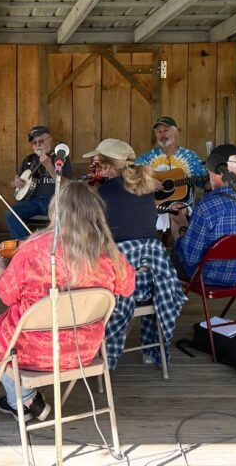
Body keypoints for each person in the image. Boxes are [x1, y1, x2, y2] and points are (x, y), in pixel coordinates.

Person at [0, 180, 135, 420]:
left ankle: (23, 398)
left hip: (31, 352)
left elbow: (7, 295)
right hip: (83, 351)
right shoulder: (108, 252)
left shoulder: (34, 248)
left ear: (56, 210)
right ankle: (25, 398)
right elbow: (127, 287)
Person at [83, 139, 187, 369]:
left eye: (97, 163)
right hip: (152, 286)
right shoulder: (144, 189)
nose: (95, 167)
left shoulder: (103, 193)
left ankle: (89, 349)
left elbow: (93, 237)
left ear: (108, 167)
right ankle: (151, 350)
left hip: (118, 289)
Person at [174, 144, 236, 287]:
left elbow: (189, 258)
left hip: (203, 277)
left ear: (215, 169)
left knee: (162, 257)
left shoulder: (207, 205)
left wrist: (181, 227)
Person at [135, 116, 207, 244]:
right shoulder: (147, 158)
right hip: (153, 203)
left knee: (176, 210)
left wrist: (216, 179)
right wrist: (146, 182)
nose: (162, 134)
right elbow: (130, 176)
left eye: (166, 130)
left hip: (183, 204)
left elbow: (204, 183)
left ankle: (183, 247)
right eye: (159, 131)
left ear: (176, 133)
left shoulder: (189, 157)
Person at [6, 125, 72, 240]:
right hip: (33, 202)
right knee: (11, 213)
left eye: (41, 141)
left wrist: (49, 166)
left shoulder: (61, 157)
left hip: (55, 200)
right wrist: (16, 183)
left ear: (50, 140)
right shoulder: (28, 160)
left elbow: (66, 185)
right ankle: (25, 244)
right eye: (34, 143)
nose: (37, 145)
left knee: (65, 216)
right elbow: (14, 183)